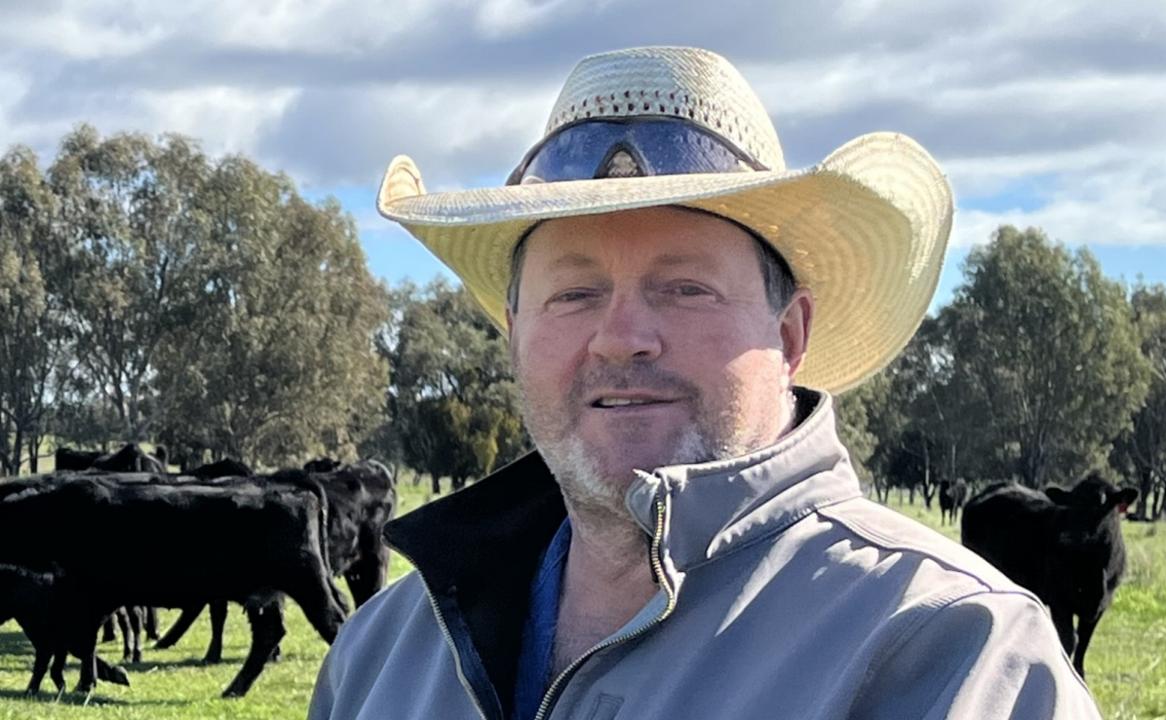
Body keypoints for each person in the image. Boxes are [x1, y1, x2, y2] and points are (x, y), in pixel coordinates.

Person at [308, 46, 1102, 720]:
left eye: (685, 287)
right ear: (515, 335)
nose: (621, 336)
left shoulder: (951, 652)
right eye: (574, 293)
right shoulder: (381, 656)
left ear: (789, 335)